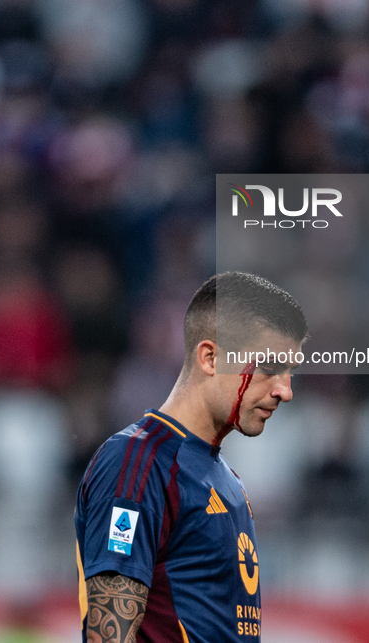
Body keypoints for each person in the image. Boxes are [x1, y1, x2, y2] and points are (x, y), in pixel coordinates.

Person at [74, 271, 308, 643]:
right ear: (211, 357)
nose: (285, 390)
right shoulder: (138, 462)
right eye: (269, 369)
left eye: (290, 372)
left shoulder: (224, 476)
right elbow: (109, 637)